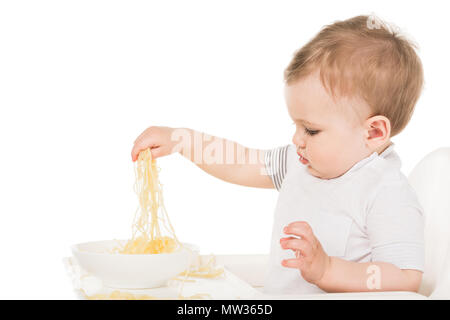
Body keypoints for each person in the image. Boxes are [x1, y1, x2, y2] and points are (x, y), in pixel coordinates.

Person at [131, 14, 425, 294]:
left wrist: (329, 270)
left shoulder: (386, 192)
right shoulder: (299, 163)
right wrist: (181, 139)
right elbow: (241, 162)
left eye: (311, 130)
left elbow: (405, 278)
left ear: (373, 132)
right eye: (296, 125)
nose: (296, 139)